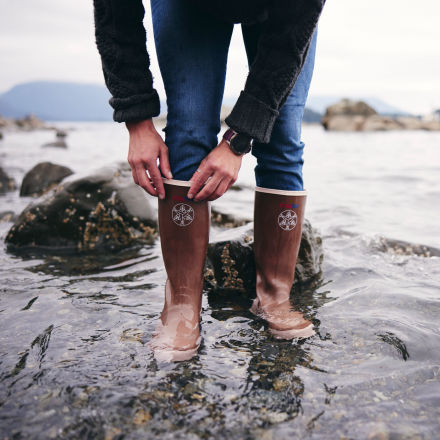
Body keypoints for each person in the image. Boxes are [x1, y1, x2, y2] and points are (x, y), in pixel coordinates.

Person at [93, 0, 326, 362]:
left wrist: (237, 140)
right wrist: (136, 119)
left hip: (283, 14)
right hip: (188, 7)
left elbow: (290, 36)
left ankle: (274, 295)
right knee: (188, 131)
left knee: (282, 137)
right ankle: (183, 304)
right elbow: (114, 11)